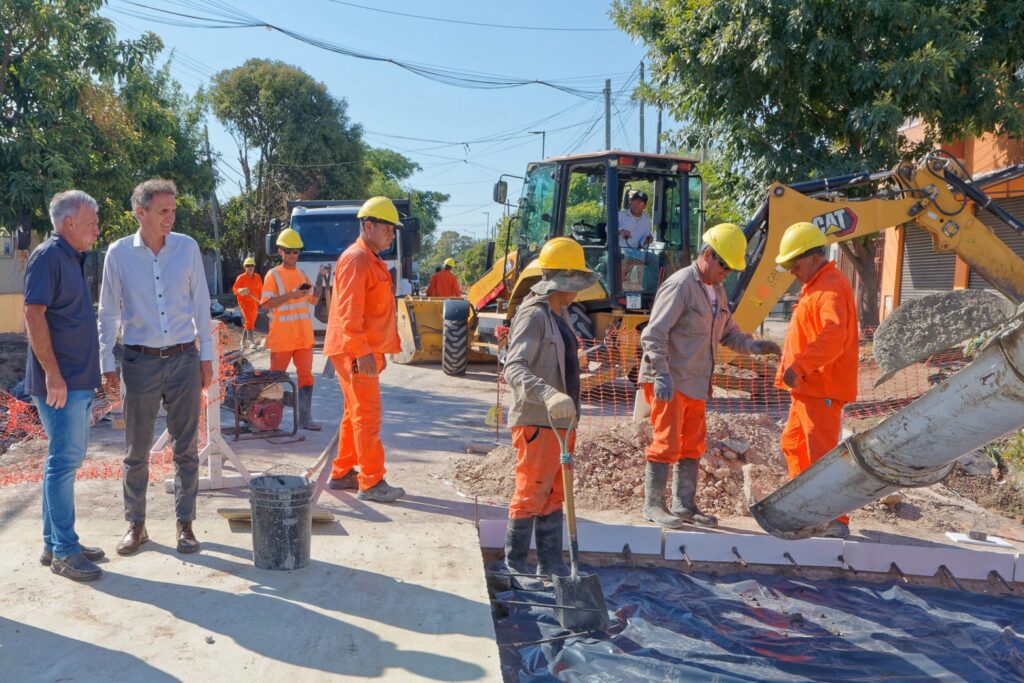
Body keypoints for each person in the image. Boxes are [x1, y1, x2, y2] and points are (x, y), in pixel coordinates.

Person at [637, 223, 781, 529]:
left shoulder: (716, 291)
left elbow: (727, 333)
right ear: (707, 255)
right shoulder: (680, 286)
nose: (726, 273)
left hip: (697, 383)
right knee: (665, 442)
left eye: (731, 269)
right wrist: (661, 374)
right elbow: (653, 334)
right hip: (671, 380)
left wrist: (753, 346)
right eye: (724, 265)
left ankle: (684, 505)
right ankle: (653, 505)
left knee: (692, 444)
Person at [98, 179, 214, 556]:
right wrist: (106, 363)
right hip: (139, 361)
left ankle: (186, 526)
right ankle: (136, 525)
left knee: (186, 448)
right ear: (140, 212)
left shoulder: (187, 248)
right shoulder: (118, 254)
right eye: (163, 210)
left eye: (173, 209)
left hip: (183, 358)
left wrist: (207, 354)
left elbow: (201, 303)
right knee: (136, 450)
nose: (171, 216)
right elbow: (108, 312)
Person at [502, 237, 598, 581]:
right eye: (573, 282)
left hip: (562, 423)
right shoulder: (533, 316)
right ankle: (514, 564)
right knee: (532, 490)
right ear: (560, 279)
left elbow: (553, 359)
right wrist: (549, 394)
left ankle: (551, 564)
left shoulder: (561, 315)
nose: (576, 291)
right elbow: (514, 368)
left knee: (554, 494)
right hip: (539, 420)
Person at [24, 190, 104, 581]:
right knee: (64, 462)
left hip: (75, 379)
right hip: (61, 383)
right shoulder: (49, 256)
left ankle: (53, 542)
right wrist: (53, 373)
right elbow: (32, 315)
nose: (97, 230)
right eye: (91, 222)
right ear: (68, 222)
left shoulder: (70, 259)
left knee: (61, 461)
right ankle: (65, 551)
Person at [774, 222, 859, 539]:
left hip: (819, 387)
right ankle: (802, 508)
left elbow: (833, 336)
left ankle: (836, 520)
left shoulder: (831, 287)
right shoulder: (816, 285)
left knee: (821, 456)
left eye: (795, 265)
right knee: (794, 445)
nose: (793, 272)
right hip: (806, 389)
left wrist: (801, 365)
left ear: (813, 256)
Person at [323, 197, 405, 503]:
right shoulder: (357, 259)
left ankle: (343, 471)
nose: (391, 235)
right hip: (355, 350)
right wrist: (361, 352)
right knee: (367, 415)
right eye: (387, 229)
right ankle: (371, 482)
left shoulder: (369, 257)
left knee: (353, 413)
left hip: (359, 349)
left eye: (393, 231)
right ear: (368, 226)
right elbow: (349, 313)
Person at [260, 228, 329, 431]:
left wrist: (320, 277)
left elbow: (314, 299)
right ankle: (269, 420)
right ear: (280, 252)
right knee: (275, 380)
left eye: (296, 251)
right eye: (288, 251)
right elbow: (265, 304)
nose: (292, 255)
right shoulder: (273, 275)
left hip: (303, 338)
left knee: (306, 377)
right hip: (282, 339)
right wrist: (290, 295)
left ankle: (306, 418)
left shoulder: (302, 275)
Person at [232, 256, 262, 350]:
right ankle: (250, 341)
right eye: (248, 266)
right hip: (244, 302)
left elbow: (261, 289)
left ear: (254, 266)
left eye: (252, 265)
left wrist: (262, 300)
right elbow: (234, 290)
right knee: (249, 319)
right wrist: (240, 290)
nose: (250, 267)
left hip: (254, 302)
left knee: (250, 322)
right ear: (245, 267)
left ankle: (242, 341)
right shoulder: (241, 278)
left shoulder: (257, 277)